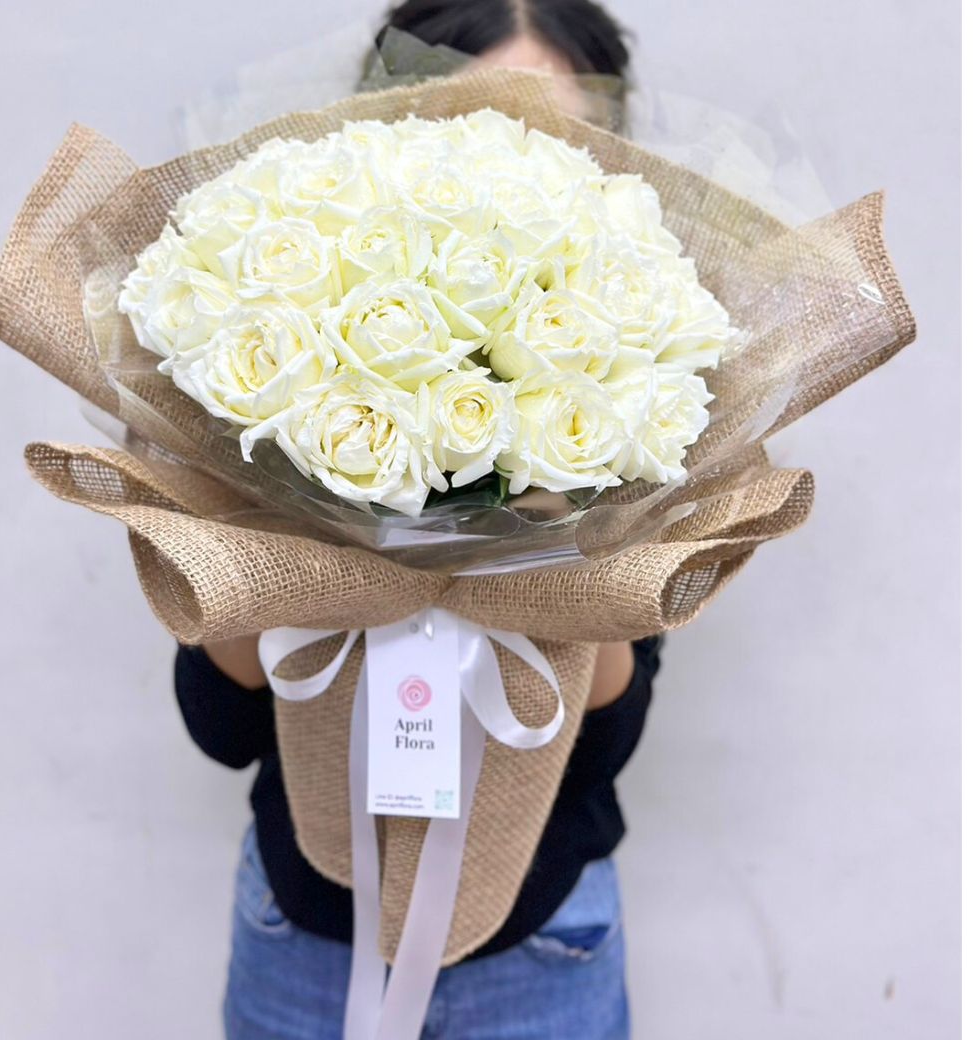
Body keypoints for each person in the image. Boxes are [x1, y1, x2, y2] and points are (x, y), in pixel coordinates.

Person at [174, 3, 662, 1037]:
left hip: (541, 938)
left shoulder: (634, 375)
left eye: (547, 135)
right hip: (303, 932)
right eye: (464, 125)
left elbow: (607, 734)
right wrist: (302, 513)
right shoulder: (293, 361)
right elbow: (217, 722)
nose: (504, 165)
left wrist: (552, 526)